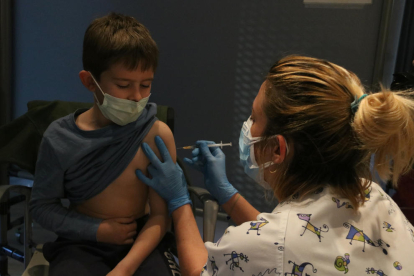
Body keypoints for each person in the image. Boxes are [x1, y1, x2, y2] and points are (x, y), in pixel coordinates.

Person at [136, 55, 414, 275]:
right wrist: (226, 194)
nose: (248, 127)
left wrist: (180, 201)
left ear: (278, 149)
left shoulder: (269, 244)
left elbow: (205, 270)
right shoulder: (375, 197)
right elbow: (293, 238)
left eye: (254, 117)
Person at [30, 13, 179, 276]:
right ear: (89, 81)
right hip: (82, 242)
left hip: (142, 242)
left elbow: (160, 217)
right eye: (123, 85)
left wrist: (124, 269)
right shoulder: (60, 138)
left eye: (146, 85)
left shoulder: (156, 134)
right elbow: (42, 207)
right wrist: (96, 231)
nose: (136, 97)